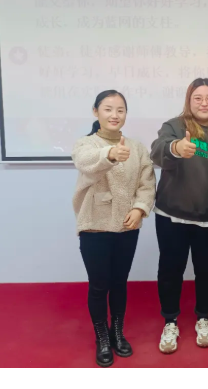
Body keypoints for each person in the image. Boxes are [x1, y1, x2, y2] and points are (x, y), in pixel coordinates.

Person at [71, 90, 156, 367]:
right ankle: (102, 338)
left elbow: (147, 183)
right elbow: (85, 162)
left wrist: (139, 209)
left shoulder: (137, 147)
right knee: (99, 285)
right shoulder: (85, 144)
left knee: (120, 283)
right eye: (108, 109)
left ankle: (117, 333)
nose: (114, 115)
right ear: (95, 112)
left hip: (126, 227)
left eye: (120, 110)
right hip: (94, 227)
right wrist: (110, 153)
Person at [150, 78, 208, 354]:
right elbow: (157, 151)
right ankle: (170, 321)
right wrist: (176, 148)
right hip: (172, 214)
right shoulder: (174, 126)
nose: (204, 103)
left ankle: (203, 318)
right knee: (170, 269)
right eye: (198, 98)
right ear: (189, 101)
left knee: (207, 270)